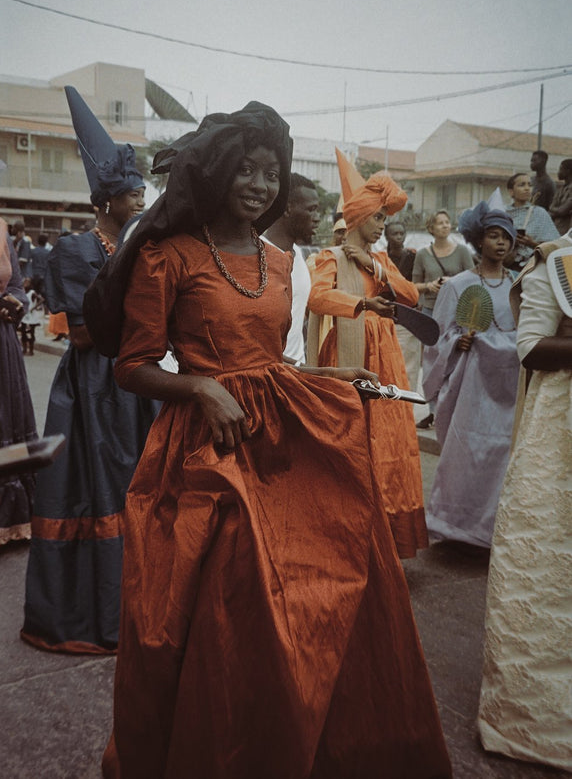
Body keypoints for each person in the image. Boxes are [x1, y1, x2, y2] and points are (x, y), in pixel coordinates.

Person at [82, 102, 452, 779]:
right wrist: (198, 387)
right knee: (225, 612)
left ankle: (301, 743)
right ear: (218, 173)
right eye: (245, 170)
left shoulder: (283, 263)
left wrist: (335, 376)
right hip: (204, 450)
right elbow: (130, 366)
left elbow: (273, 360)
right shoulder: (169, 255)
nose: (259, 183)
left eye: (270, 172)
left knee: (325, 585)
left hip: (278, 435)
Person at [21, 87, 160, 654]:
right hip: (95, 388)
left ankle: (140, 606)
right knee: (98, 486)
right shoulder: (78, 251)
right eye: (132, 195)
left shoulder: (138, 246)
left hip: (133, 380)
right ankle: (95, 611)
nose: (141, 203)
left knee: (140, 488)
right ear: (106, 201)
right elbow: (82, 333)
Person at [478, 225, 572, 771]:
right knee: (547, 570)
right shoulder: (556, 262)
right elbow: (531, 348)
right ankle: (533, 726)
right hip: (557, 436)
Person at [307, 160, 429, 559]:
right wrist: (361, 300)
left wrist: (374, 266)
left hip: (385, 354)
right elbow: (317, 297)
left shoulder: (381, 260)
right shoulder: (330, 256)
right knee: (351, 437)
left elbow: (410, 296)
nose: (381, 225)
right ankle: (347, 537)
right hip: (348, 352)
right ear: (358, 216)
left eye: (384, 218)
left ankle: (384, 542)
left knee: (389, 439)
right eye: (377, 217)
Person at [422, 202, 519, 547]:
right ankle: (455, 526)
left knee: (501, 457)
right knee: (465, 455)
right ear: (479, 240)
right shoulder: (458, 285)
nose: (501, 243)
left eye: (506, 237)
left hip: (509, 387)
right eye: (493, 236)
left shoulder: (520, 286)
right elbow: (436, 338)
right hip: (470, 388)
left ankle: (493, 529)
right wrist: (457, 342)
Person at [0, 156, 38, 549]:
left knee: (5, 414)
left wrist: (16, 302)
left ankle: (11, 518)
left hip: (0, 342)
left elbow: (19, 285)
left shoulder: (2, 233)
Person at [412, 210, 474, 427]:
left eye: (447, 222)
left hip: (457, 314)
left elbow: (474, 280)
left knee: (455, 360)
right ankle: (433, 411)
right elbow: (414, 286)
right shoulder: (423, 254)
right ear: (431, 228)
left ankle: (453, 409)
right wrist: (429, 286)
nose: (445, 226)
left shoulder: (463, 251)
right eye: (439, 223)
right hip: (431, 312)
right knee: (432, 362)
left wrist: (453, 282)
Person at [263, 172, 320, 364]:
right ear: (287, 209)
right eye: (311, 210)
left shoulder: (298, 254)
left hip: (296, 371)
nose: (317, 218)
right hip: (273, 373)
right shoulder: (259, 257)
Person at [385, 220, 421, 392]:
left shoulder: (414, 257)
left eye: (401, 233)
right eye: (394, 233)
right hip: (386, 317)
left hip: (408, 318)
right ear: (386, 236)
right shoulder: (381, 259)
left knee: (409, 368)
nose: (399, 237)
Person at [505, 172, 559, 273]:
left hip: (534, 268)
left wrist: (532, 244)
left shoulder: (540, 213)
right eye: (522, 185)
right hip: (509, 267)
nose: (527, 188)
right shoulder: (503, 214)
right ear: (511, 191)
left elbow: (553, 246)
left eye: (529, 185)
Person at [19, 276, 45, 356]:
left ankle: (31, 350)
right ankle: (24, 349)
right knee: (23, 333)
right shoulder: (22, 292)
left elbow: (41, 300)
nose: (25, 283)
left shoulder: (32, 293)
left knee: (31, 333)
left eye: (27, 282)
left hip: (31, 317)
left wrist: (34, 307)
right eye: (24, 282)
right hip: (24, 316)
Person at [549, 157, 572, 235]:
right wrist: (556, 210)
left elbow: (562, 211)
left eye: (561, 169)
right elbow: (551, 207)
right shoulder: (561, 188)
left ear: (568, 171)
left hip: (566, 233)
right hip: (556, 229)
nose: (558, 172)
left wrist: (554, 210)